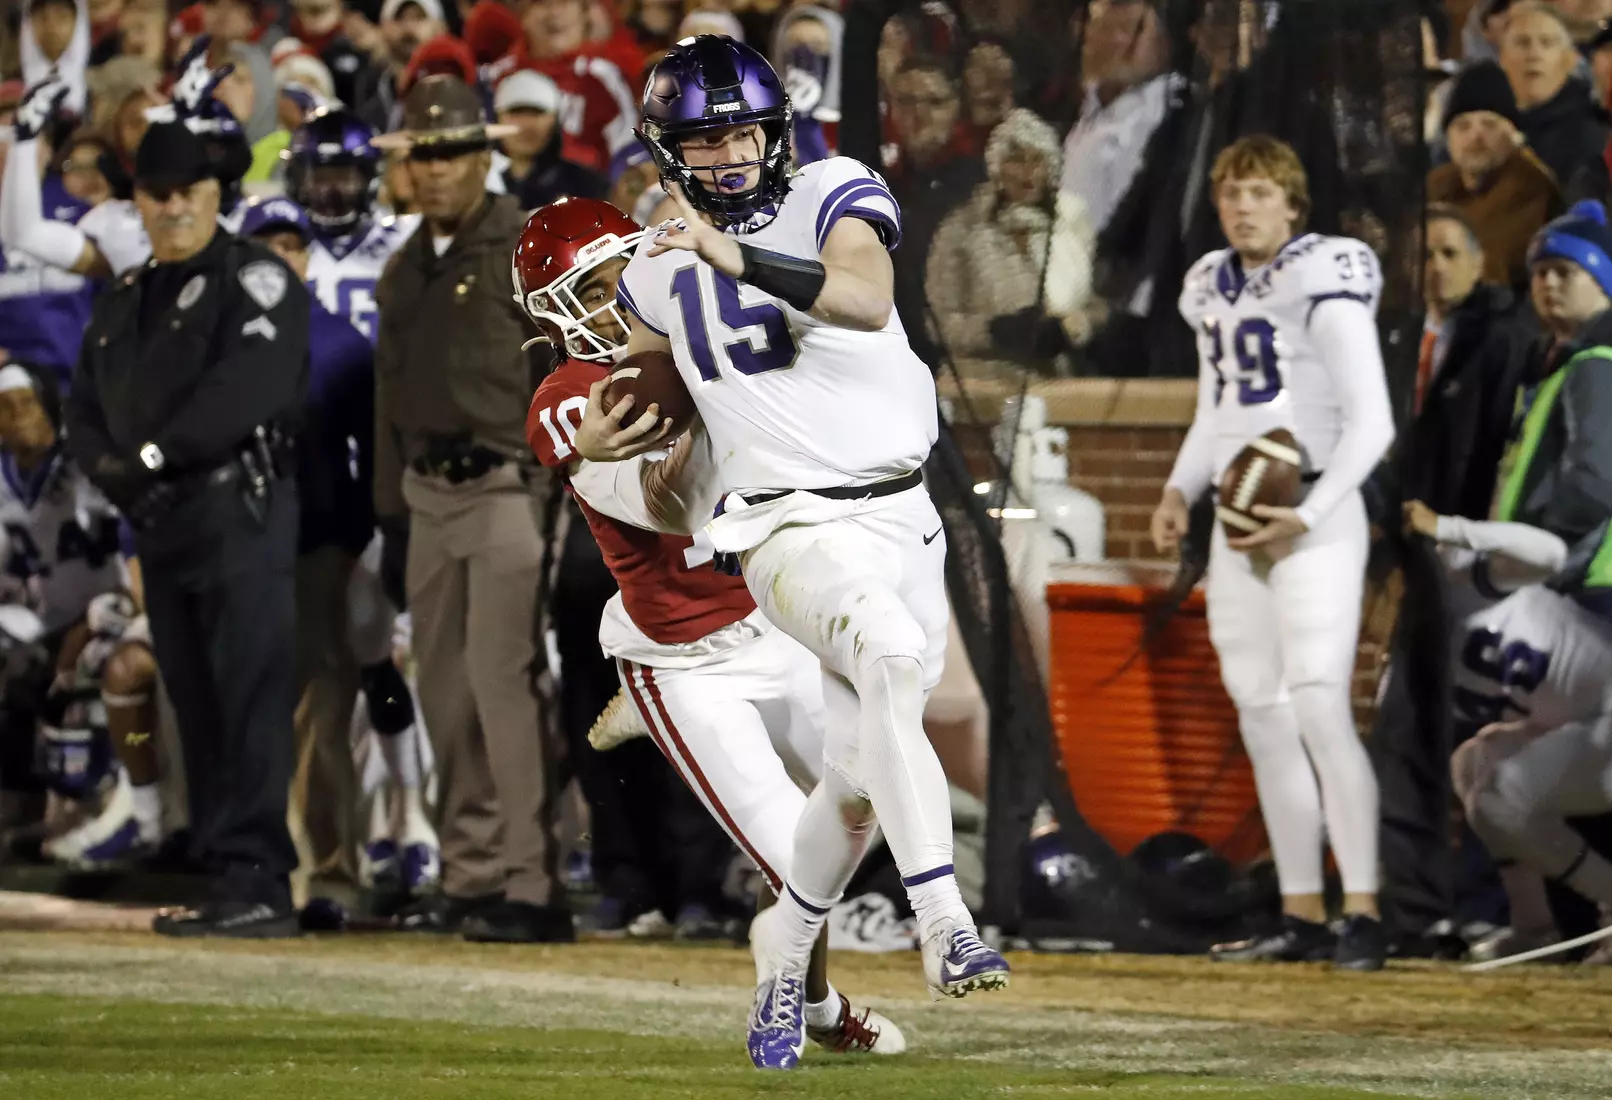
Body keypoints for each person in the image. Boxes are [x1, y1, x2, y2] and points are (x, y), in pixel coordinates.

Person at [587, 36, 1010, 1069]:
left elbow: (864, 298)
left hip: (903, 515)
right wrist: (606, 436)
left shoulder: (831, 186)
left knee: (858, 777)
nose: (730, 155)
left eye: (743, 132)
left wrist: (730, 254)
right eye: (704, 139)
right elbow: (650, 399)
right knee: (889, 660)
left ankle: (784, 949)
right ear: (668, 150)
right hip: (785, 523)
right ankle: (945, 919)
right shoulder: (652, 267)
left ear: (776, 131)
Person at [520, 195, 904, 1053]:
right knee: (791, 858)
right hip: (685, 658)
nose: (612, 303)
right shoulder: (572, 394)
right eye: (591, 292)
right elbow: (653, 500)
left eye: (619, 278)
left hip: (774, 622)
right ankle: (806, 1002)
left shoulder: (709, 334)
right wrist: (667, 417)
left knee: (869, 797)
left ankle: (806, 996)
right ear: (554, 314)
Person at [1149, 135, 1396, 970]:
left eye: (1259, 192)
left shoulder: (1322, 276)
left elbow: (1374, 422)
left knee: (1321, 703)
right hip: (1241, 520)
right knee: (1262, 710)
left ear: (1293, 205)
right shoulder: (1211, 284)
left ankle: (1363, 909)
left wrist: (1311, 512)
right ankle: (1301, 909)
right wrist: (1179, 490)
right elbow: (1215, 411)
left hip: (1314, 510)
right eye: (1231, 193)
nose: (1242, 207)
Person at [65, 119, 308, 937]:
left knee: (249, 695)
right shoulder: (123, 299)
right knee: (193, 700)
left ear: (215, 194)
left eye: (188, 192)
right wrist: (116, 474)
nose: (173, 207)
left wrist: (149, 459)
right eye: (157, 193)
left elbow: (250, 388)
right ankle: (221, 871)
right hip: (160, 520)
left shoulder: (255, 278)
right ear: (137, 201)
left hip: (239, 513)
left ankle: (261, 878)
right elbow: (83, 407)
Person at [370, 75, 570, 944]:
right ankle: (470, 876)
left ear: (484, 157)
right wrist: (390, 514)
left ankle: (534, 884)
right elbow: (387, 400)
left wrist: (556, 494)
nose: (438, 169)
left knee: (504, 686)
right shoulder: (403, 265)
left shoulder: (526, 247)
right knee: (446, 694)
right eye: (424, 155)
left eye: (453, 152)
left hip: (506, 486)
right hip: (426, 495)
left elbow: (568, 370)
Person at [237, 195, 440, 897]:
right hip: (235, 549)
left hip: (319, 546)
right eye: (266, 244)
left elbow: (376, 452)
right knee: (247, 706)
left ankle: (328, 864)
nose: (281, 256)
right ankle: (244, 859)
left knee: (323, 708)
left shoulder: (341, 342)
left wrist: (369, 534)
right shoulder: (211, 337)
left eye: (292, 244)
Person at [1404, 499, 1612, 961]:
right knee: (1474, 762)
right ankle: (1534, 927)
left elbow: (1549, 553)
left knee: (1501, 795)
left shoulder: (1460, 577)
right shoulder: (1404, 627)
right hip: (1580, 725)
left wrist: (1447, 527)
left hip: (1604, 720)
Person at [285, 106, 419, 342]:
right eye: (319, 178)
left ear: (370, 177)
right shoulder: (283, 244)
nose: (329, 191)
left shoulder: (407, 237)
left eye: (343, 178)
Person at [1427, 60, 1562, 288]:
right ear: (1448, 139)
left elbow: (1496, 272)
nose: (1475, 137)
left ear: (1514, 135)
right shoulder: (1436, 183)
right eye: (1463, 126)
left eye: (1489, 124)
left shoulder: (1531, 188)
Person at [492, 70, 608, 210]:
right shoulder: (479, 181)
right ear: (497, 118)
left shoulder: (587, 186)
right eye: (516, 113)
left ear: (555, 120)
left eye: (537, 113)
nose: (526, 125)